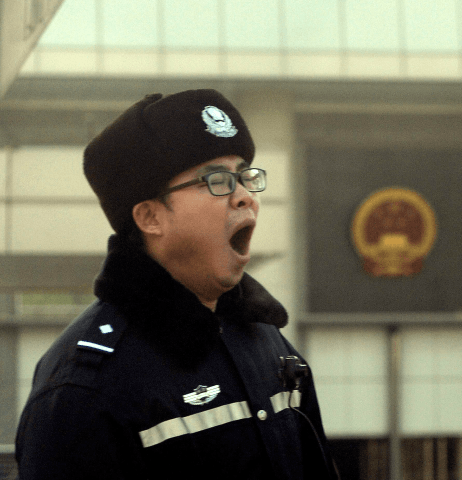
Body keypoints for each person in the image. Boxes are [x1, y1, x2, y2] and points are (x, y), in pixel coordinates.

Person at [15, 89, 337, 480]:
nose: (244, 197)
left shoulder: (267, 339)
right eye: (216, 179)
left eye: (244, 176)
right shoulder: (85, 390)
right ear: (150, 217)